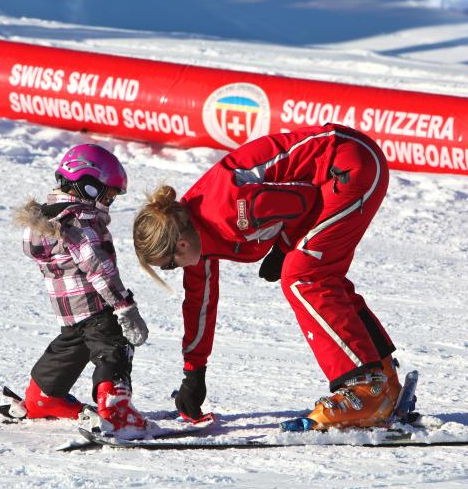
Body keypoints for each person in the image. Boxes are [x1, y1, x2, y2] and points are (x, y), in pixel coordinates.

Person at [133, 123, 402, 430]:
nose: (174, 271)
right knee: (319, 274)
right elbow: (199, 304)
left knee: (303, 275)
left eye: (168, 266)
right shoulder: (193, 233)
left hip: (349, 162)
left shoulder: (229, 210)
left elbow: (304, 200)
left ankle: (365, 389)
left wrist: (284, 249)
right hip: (343, 166)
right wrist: (194, 373)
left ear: (180, 245)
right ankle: (383, 379)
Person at [11, 143, 150, 432]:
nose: (110, 201)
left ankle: (43, 397)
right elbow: (97, 266)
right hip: (96, 303)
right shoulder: (79, 221)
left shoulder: (49, 220)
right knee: (114, 347)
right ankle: (116, 410)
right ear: (87, 185)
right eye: (108, 194)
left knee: (71, 348)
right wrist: (124, 306)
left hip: (69, 310)